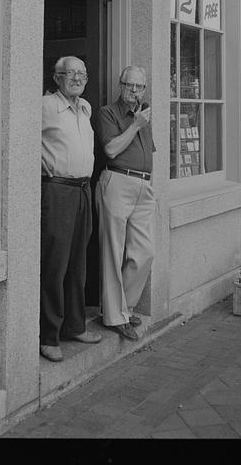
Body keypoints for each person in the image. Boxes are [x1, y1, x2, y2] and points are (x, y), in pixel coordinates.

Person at [39, 56, 102, 362]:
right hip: (58, 190)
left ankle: (74, 325)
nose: (77, 78)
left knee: (78, 262)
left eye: (82, 73)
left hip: (83, 190)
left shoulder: (86, 107)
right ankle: (48, 335)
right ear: (57, 77)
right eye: (70, 73)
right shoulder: (45, 106)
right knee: (55, 263)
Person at [95, 66, 156, 341]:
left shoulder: (143, 114)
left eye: (140, 87)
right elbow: (111, 149)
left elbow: (147, 151)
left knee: (144, 252)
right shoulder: (108, 113)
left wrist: (141, 123)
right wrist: (135, 126)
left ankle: (125, 307)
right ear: (121, 85)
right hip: (117, 182)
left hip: (144, 186)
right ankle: (114, 316)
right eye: (130, 86)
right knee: (113, 251)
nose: (134, 91)